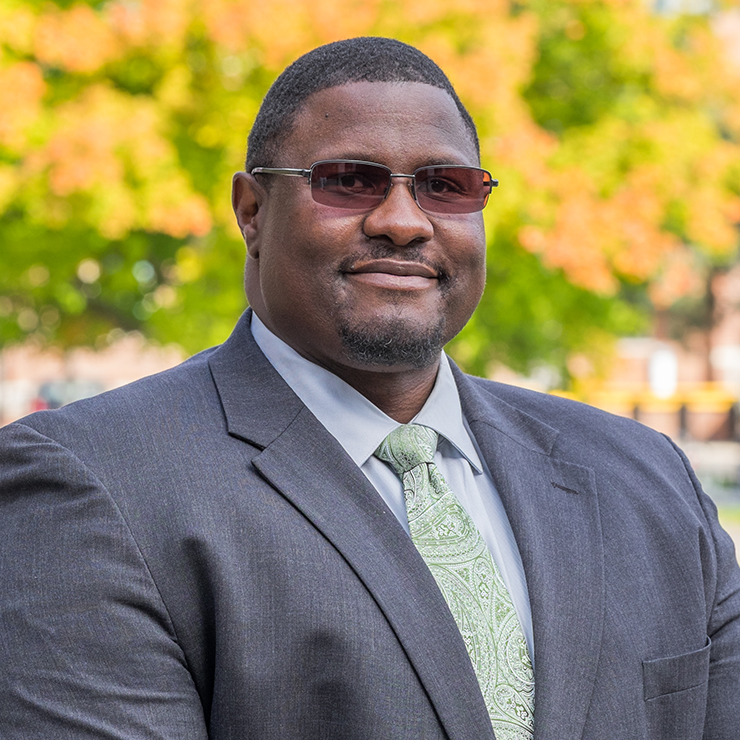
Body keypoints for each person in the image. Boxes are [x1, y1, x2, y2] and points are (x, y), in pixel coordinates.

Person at [1, 36, 739, 740]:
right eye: (350, 181)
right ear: (252, 211)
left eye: (445, 187)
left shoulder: (647, 478)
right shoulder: (89, 486)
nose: (401, 221)